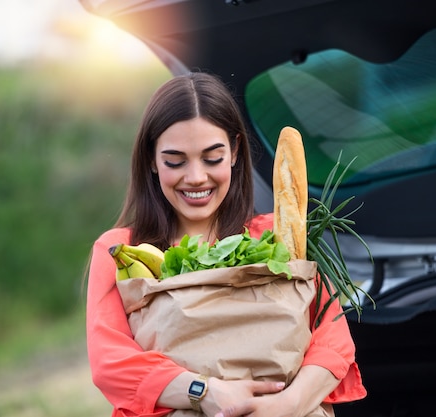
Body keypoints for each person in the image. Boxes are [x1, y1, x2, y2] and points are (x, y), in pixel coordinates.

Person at [85, 71, 366, 417]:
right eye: (175, 161)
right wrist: (205, 392)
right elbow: (110, 362)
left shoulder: (277, 237)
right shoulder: (122, 251)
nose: (196, 177)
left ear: (234, 151)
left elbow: (332, 340)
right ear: (152, 162)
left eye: (212, 158)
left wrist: (285, 405)